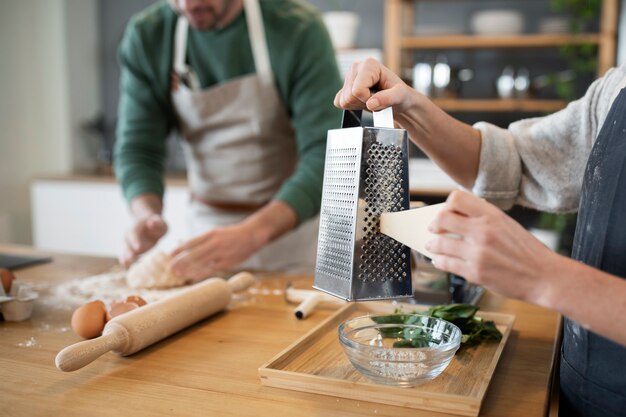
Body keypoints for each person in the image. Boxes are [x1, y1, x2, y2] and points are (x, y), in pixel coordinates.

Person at [335, 58, 626, 417]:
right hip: (586, 387)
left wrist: (547, 276)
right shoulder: (618, 85)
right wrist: (410, 108)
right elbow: (514, 163)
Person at [114, 0, 342, 280]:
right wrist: (145, 215)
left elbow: (328, 154)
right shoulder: (150, 35)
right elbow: (139, 148)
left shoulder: (296, 29)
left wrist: (254, 232)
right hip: (205, 238)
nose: (188, 4)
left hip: (295, 241)